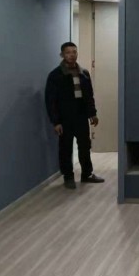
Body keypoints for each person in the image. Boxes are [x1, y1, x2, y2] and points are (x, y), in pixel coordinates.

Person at [45, 42, 104, 189]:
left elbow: (89, 96)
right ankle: (68, 177)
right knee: (65, 148)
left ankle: (87, 174)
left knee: (85, 146)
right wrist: (56, 122)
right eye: (68, 52)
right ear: (62, 55)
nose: (72, 55)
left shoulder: (84, 73)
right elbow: (50, 101)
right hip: (64, 118)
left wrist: (92, 113)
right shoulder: (55, 75)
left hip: (81, 116)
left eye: (74, 52)